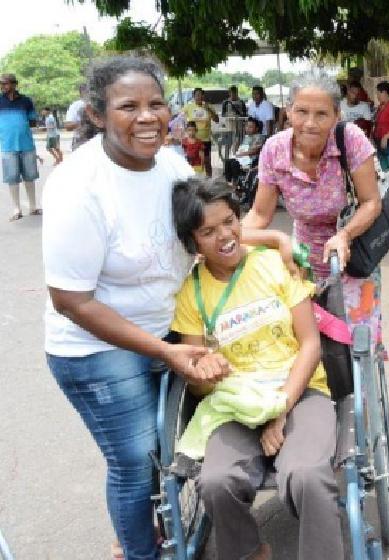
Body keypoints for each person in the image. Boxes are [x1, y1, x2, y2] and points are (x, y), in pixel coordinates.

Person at [41, 55, 210, 560]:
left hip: (166, 331)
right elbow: (71, 300)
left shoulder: (174, 165)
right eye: (128, 106)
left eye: (156, 104)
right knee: (135, 460)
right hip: (94, 349)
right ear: (97, 115)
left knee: (170, 448)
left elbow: (204, 229)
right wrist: (164, 349)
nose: (147, 117)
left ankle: (142, 531)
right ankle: (141, 552)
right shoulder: (78, 187)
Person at [170, 176, 335, 560]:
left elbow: (311, 344)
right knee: (216, 480)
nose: (225, 236)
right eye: (208, 231)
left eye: (229, 221)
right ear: (192, 241)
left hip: (299, 388)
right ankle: (249, 552)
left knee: (307, 473)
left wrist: (280, 411)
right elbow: (198, 388)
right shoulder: (191, 294)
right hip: (236, 402)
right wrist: (203, 372)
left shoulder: (275, 265)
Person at [243, 69, 382, 388]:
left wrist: (344, 234)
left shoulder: (351, 140)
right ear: (288, 111)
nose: (310, 123)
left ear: (336, 115)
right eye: (301, 112)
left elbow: (371, 203)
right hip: (303, 258)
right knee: (308, 340)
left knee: (356, 343)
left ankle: (361, 402)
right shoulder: (274, 151)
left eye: (321, 114)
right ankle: (321, 402)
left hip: (353, 253)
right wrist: (225, 239)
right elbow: (259, 215)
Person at [0, 72, 40, 221]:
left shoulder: (26, 101)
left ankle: (33, 206)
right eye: (1, 84)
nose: (3, 86)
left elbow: (33, 122)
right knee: (12, 178)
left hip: (27, 144)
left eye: (5, 83)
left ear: (14, 84)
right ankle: (17, 208)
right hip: (8, 146)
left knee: (30, 176)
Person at [181, 87, 219, 177]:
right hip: (192, 140)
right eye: (197, 95)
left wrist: (208, 109)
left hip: (205, 139)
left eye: (201, 95)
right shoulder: (189, 106)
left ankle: (209, 181)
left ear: (203, 96)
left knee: (207, 161)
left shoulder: (209, 106)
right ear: (194, 96)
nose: (199, 97)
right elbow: (180, 117)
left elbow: (217, 120)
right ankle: (193, 179)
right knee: (193, 161)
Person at [223, 116, 265, 183]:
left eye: (250, 127)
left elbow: (255, 151)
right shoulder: (246, 137)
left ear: (257, 128)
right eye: (247, 126)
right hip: (241, 157)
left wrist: (241, 154)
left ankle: (236, 184)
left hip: (251, 160)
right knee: (228, 162)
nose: (247, 128)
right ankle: (228, 182)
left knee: (234, 163)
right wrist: (235, 145)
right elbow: (237, 149)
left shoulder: (259, 137)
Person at [64, 84, 87, 149]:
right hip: (82, 141)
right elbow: (68, 126)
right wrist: (86, 123)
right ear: (81, 93)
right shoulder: (76, 105)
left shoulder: (99, 104)